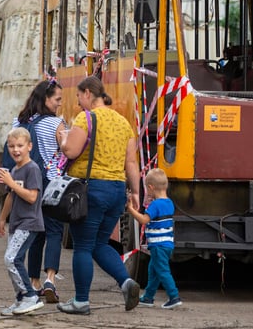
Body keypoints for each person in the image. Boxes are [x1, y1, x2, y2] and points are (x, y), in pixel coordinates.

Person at [57, 75, 141, 315]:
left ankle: (81, 301)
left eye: (78, 97)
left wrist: (63, 139)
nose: (78, 103)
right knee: (99, 244)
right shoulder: (124, 122)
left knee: (82, 245)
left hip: (91, 189)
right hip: (116, 190)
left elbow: (71, 150)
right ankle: (126, 282)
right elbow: (131, 163)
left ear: (87, 94)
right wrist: (135, 192)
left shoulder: (86, 118)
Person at [13, 79, 66, 303]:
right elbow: (67, 152)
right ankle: (50, 279)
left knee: (36, 234)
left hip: (29, 183)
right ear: (46, 99)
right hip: (52, 185)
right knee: (54, 231)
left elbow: (12, 149)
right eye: (57, 99)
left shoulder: (19, 121)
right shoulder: (56, 124)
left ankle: (33, 282)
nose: (59, 104)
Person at [0, 128, 45, 316]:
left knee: (12, 259)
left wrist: (11, 182)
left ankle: (30, 296)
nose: (16, 150)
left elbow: (32, 197)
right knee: (13, 260)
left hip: (29, 222)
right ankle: (20, 299)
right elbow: (11, 197)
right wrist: (2, 218)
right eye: (11, 146)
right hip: (16, 223)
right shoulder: (16, 170)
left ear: (29, 146)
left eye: (20, 146)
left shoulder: (32, 169)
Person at [125, 168, 181, 309]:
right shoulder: (169, 203)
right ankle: (148, 297)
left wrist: (131, 210)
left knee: (162, 270)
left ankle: (174, 296)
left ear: (150, 187)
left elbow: (144, 220)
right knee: (154, 270)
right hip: (167, 244)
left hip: (158, 245)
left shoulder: (155, 205)